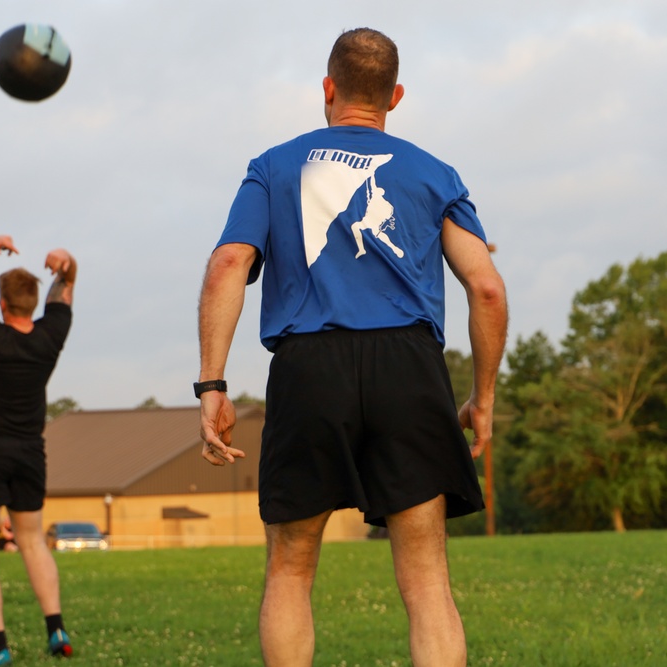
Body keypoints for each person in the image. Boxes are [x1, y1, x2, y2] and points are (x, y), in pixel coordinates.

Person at [196, 28, 508, 667]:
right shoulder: (435, 173)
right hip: (409, 369)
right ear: (394, 96)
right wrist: (483, 397)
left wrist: (213, 383)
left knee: (290, 568)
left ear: (328, 89)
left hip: (310, 367)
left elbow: (230, 261)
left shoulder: (275, 166)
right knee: (426, 581)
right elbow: (487, 289)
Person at [0, 235, 77, 666]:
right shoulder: (50, 337)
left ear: (2, 304)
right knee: (32, 542)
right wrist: (66, 263)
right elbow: (67, 288)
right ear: (32, 303)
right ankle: (56, 628)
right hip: (30, 453)